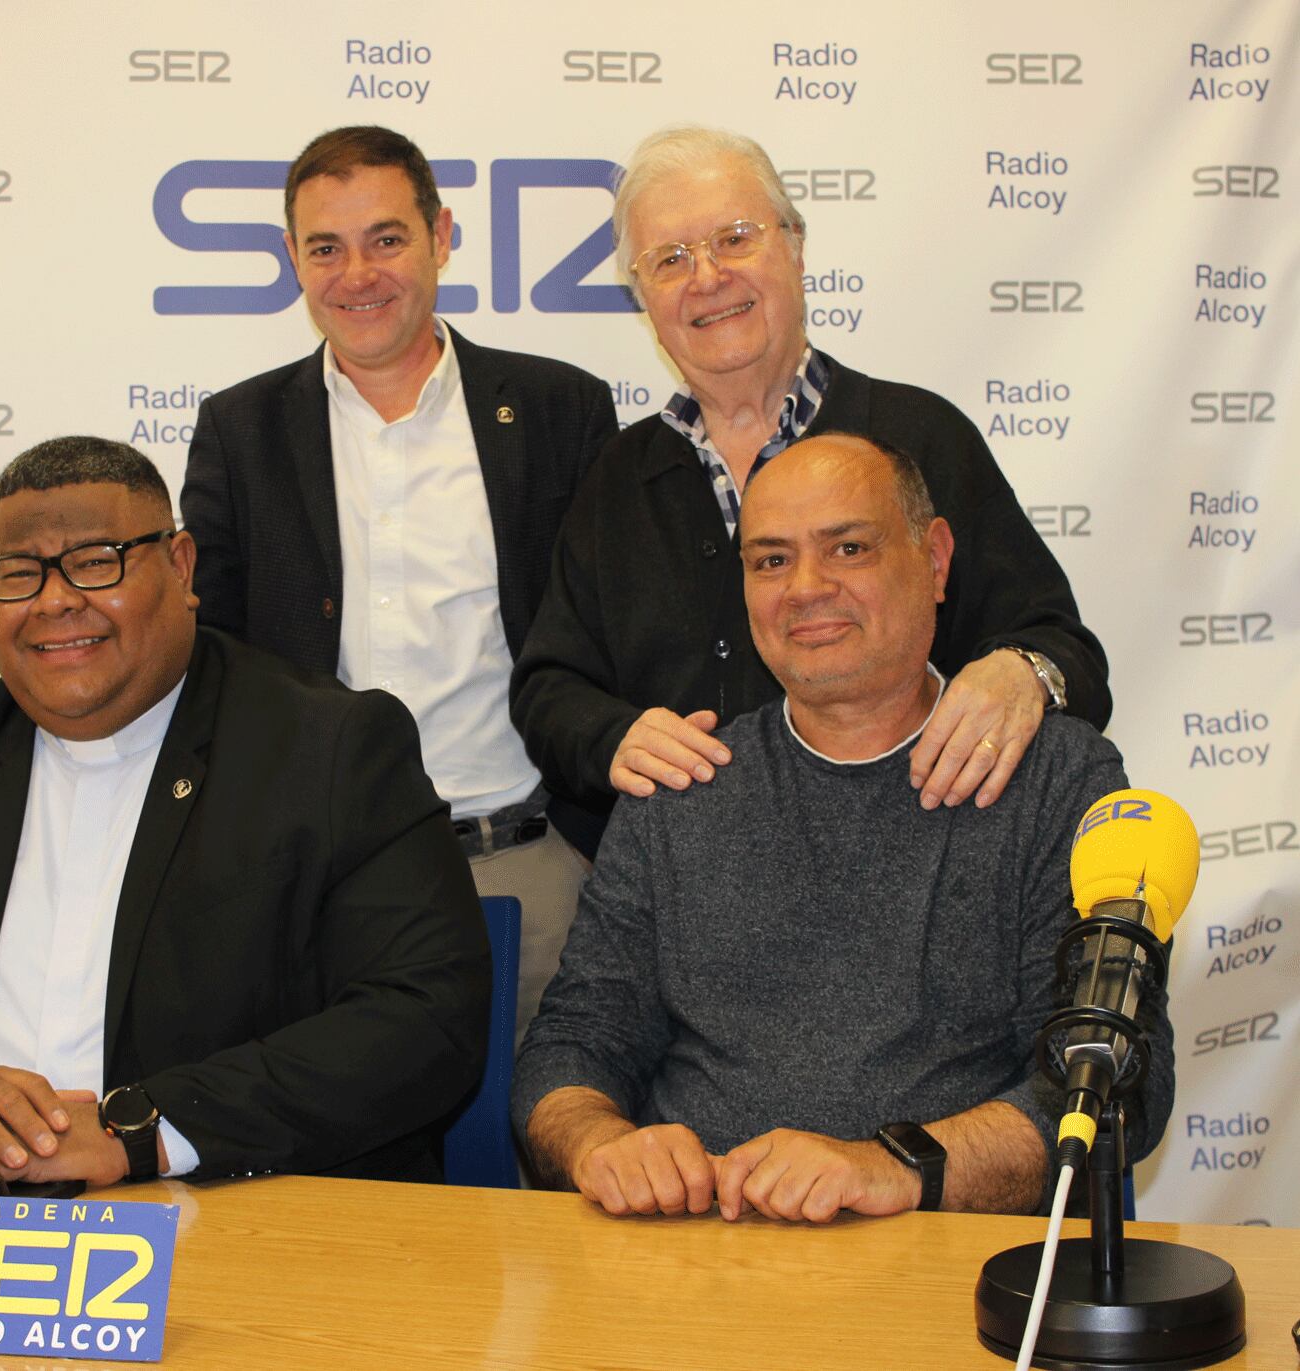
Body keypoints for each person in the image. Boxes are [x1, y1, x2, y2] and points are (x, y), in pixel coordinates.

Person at [0, 437, 489, 1186]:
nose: (55, 601)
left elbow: (425, 1019)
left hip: (227, 1223)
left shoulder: (329, 749)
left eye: (96, 562)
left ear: (182, 566)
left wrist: (143, 1130)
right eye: (19, 573)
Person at [513, 433, 1171, 1220]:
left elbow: (1112, 1081)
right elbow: (573, 1044)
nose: (807, 588)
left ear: (934, 560)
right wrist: (599, 1142)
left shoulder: (1051, 777)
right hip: (698, 1267)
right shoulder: (681, 781)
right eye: (771, 560)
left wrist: (895, 1167)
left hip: (943, 1271)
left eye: (849, 547)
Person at [511, 126, 1109, 857]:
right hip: (679, 901)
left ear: (794, 246)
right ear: (644, 301)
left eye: (734, 238)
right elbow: (549, 689)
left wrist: (1022, 673)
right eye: (670, 259)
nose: (706, 277)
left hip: (904, 884)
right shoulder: (619, 477)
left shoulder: (919, 437)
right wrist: (611, 739)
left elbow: (1064, 652)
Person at [182, 125, 618, 1038]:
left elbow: (609, 636)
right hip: (321, 891)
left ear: (442, 236)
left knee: (542, 1157)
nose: (358, 274)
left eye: (386, 238)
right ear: (292, 261)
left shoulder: (558, 409)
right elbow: (208, 662)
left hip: (530, 871)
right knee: (334, 1173)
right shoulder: (241, 430)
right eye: (325, 248)